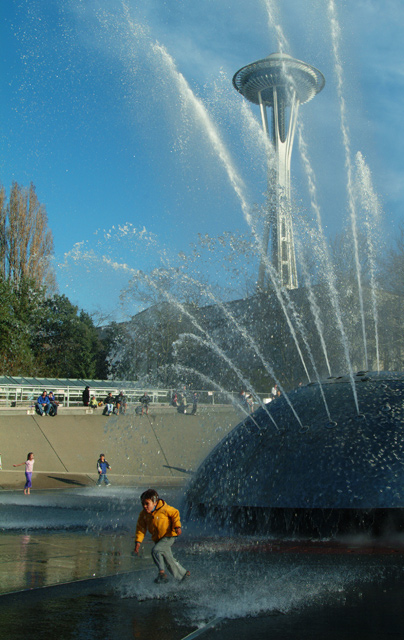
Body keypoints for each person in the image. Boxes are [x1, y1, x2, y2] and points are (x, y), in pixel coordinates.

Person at [133, 488, 190, 584]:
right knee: (168, 560)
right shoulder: (143, 515)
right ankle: (183, 575)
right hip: (158, 539)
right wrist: (138, 543)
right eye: (143, 504)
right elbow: (141, 529)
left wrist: (177, 527)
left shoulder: (164, 508)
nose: (145, 506)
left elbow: (175, 513)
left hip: (168, 536)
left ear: (155, 503)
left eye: (147, 504)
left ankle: (161, 573)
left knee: (156, 550)